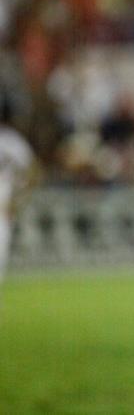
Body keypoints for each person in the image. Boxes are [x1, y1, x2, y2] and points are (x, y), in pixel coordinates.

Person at [0, 105, 38, 295]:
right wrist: (19, 199)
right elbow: (33, 173)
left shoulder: (13, 141)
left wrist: (17, 201)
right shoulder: (15, 142)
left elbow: (32, 174)